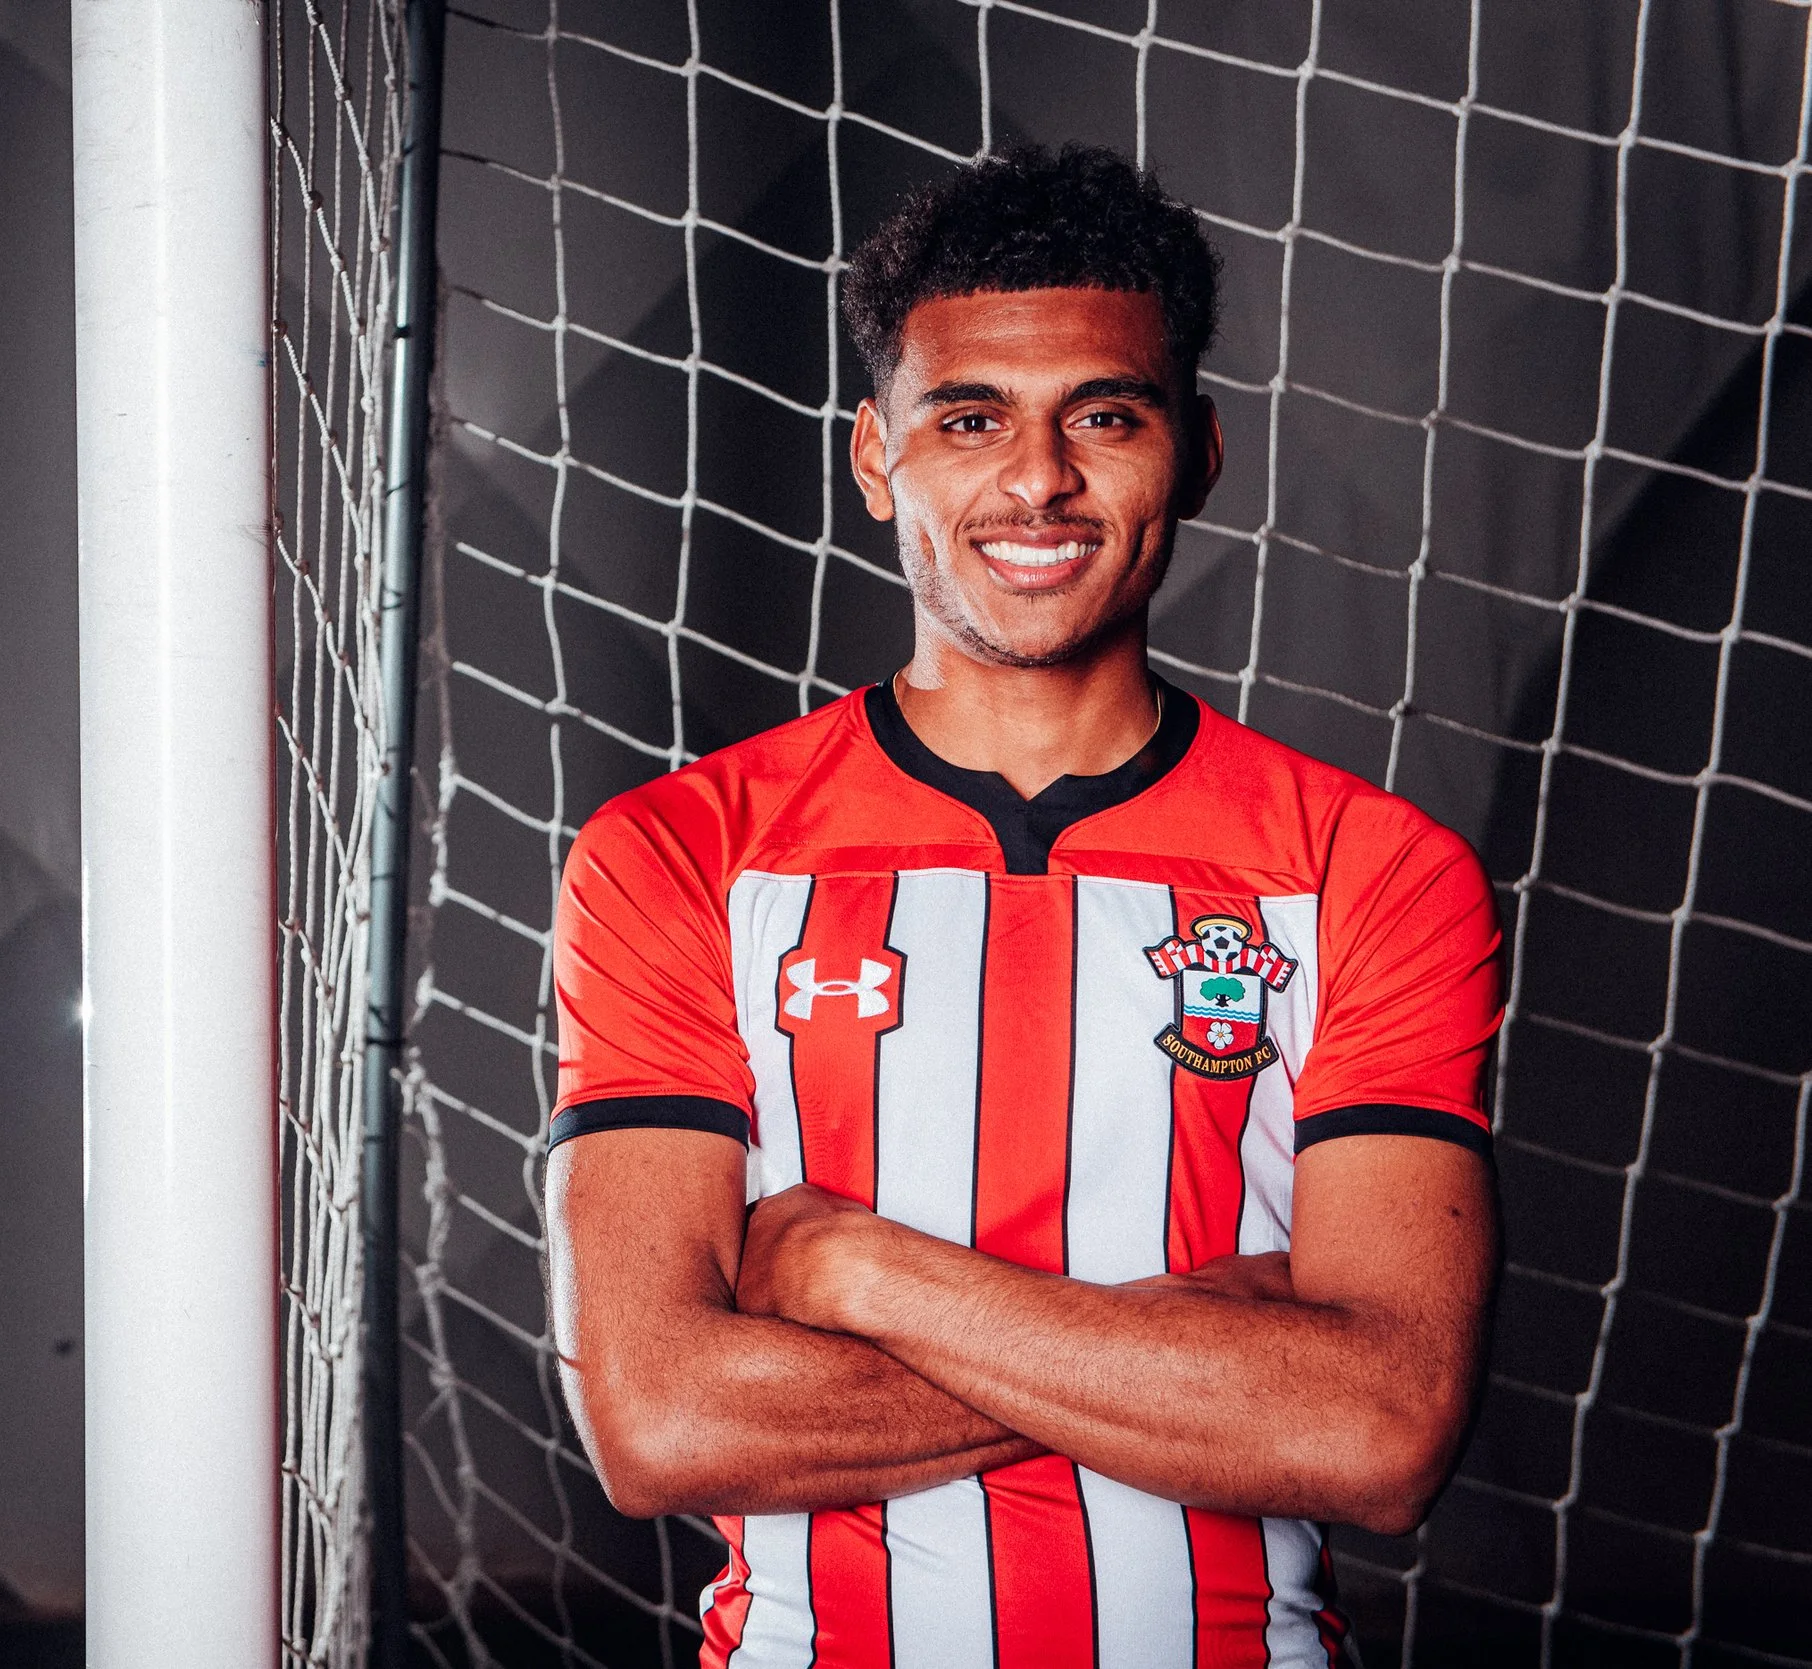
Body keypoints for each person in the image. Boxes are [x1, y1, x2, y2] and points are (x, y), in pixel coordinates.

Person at [542, 144, 1501, 1668]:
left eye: (1103, 417)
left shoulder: (1369, 867)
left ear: (1196, 452)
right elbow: (661, 1419)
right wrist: (1216, 1358)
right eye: (969, 418)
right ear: (875, 459)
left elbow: (1377, 1433)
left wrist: (864, 1278)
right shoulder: (678, 852)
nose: (1037, 480)